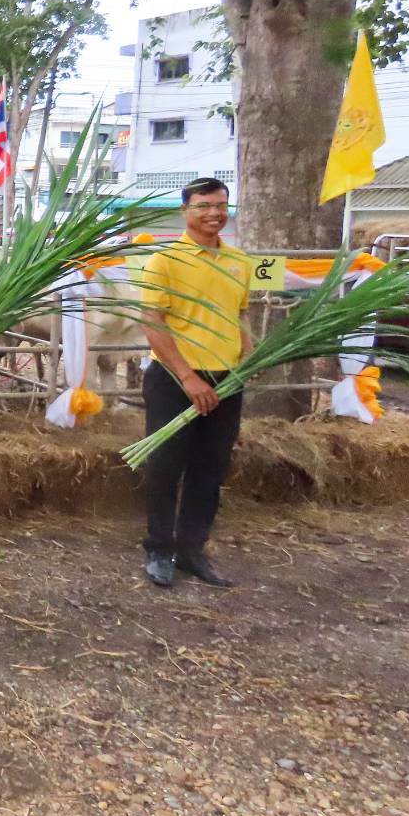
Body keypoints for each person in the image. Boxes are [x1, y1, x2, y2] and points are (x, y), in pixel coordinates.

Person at [139, 177, 253, 588]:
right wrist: (188, 377)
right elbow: (152, 322)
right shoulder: (165, 260)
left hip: (226, 381)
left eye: (221, 205)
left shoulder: (239, 261)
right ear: (185, 210)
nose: (214, 213)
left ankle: (192, 550)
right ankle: (159, 548)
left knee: (210, 468)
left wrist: (249, 353)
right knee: (165, 466)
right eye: (203, 205)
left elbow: (239, 315)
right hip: (175, 378)